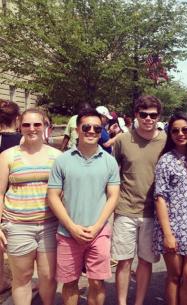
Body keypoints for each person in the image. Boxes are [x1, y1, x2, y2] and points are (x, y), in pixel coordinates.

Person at [47, 108, 120, 305]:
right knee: (70, 283)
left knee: (97, 282)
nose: (91, 131)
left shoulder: (109, 162)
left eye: (97, 128)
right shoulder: (62, 160)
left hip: (99, 232)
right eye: (86, 127)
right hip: (67, 232)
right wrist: (71, 227)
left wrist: (97, 227)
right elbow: (53, 196)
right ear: (77, 129)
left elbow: (113, 196)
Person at [0, 108, 61, 305]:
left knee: (48, 276)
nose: (32, 129)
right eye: (26, 124)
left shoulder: (57, 156)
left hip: (49, 225)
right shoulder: (8, 156)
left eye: (37, 124)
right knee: (22, 278)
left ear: (45, 126)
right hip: (17, 225)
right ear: (19, 125)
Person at [112, 95, 166, 305]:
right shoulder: (123, 140)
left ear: (158, 117)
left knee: (145, 261)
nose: (148, 119)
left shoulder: (166, 140)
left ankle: (139, 302)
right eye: (143, 114)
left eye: (153, 115)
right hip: (125, 209)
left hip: (153, 212)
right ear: (136, 115)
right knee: (124, 261)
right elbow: (111, 171)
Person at [153, 112, 187, 305]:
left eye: (185, 129)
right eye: (175, 130)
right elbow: (160, 198)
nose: (180, 134)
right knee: (175, 276)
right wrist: (168, 234)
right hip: (173, 227)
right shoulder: (166, 161)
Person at [0, 100, 22, 293]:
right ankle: (16, 280)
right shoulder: (22, 142)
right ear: (17, 119)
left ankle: (1, 279)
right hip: (14, 196)